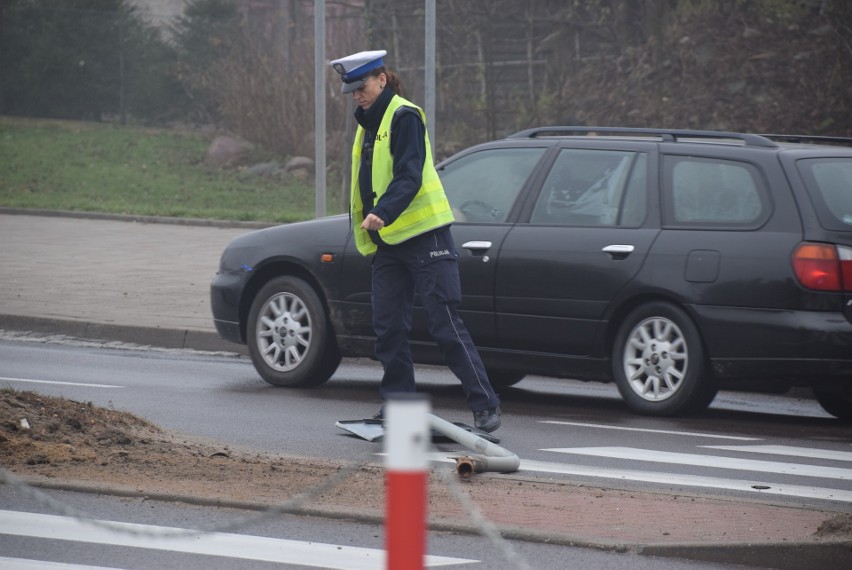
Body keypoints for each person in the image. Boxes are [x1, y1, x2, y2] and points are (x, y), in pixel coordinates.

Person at [330, 49, 501, 433]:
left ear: (382, 79)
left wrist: (384, 211)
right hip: (389, 242)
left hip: (426, 237)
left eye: (362, 87)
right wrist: (370, 224)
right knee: (388, 328)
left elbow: (408, 175)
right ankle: (400, 408)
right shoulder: (367, 125)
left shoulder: (404, 115)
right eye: (352, 91)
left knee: (444, 324)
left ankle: (486, 406)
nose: (357, 95)